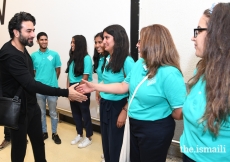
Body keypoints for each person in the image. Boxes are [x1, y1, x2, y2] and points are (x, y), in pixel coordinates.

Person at [77, 24, 186, 162]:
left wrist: (155, 110)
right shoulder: (140, 64)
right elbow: (123, 86)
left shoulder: (170, 73)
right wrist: (94, 87)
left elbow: (178, 112)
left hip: (154, 130)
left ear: (153, 44)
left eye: (140, 41)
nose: (137, 44)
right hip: (134, 125)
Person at [0, 12, 87, 162]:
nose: (33, 34)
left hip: (32, 107)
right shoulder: (9, 54)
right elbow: (31, 84)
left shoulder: (22, 48)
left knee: (39, 144)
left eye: (33, 30)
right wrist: (66, 92)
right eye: (29, 31)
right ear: (16, 32)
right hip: (18, 111)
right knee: (19, 150)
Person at [180, 3, 230, 162]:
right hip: (188, 154)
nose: (193, 37)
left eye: (199, 30)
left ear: (217, 34)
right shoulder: (201, 69)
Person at [81, 25, 134, 162]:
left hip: (118, 107)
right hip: (105, 105)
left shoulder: (127, 61)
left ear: (117, 39)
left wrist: (124, 110)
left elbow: (134, 90)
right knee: (106, 144)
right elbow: (106, 81)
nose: (103, 41)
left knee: (116, 146)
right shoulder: (107, 59)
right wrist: (94, 88)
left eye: (106, 38)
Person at [31, 32, 62, 144]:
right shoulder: (33, 56)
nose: (44, 41)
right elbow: (34, 72)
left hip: (52, 89)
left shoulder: (54, 54)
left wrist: (52, 82)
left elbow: (58, 70)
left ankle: (55, 133)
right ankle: (44, 132)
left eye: (46, 39)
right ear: (37, 41)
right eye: (42, 40)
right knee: (41, 113)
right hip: (39, 90)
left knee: (53, 113)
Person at [66, 35, 93, 148]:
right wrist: (68, 91)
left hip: (83, 88)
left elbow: (85, 77)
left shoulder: (86, 58)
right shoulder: (72, 57)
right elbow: (69, 75)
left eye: (74, 42)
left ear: (79, 44)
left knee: (84, 112)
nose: (72, 44)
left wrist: (76, 92)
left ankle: (89, 137)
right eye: (71, 42)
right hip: (72, 87)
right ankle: (79, 134)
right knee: (76, 113)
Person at [93, 32, 109, 162]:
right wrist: (97, 91)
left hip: (111, 97)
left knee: (110, 130)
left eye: (100, 42)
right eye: (96, 42)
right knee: (103, 127)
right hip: (101, 95)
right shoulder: (100, 58)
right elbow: (100, 79)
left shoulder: (112, 58)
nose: (97, 45)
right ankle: (107, 151)